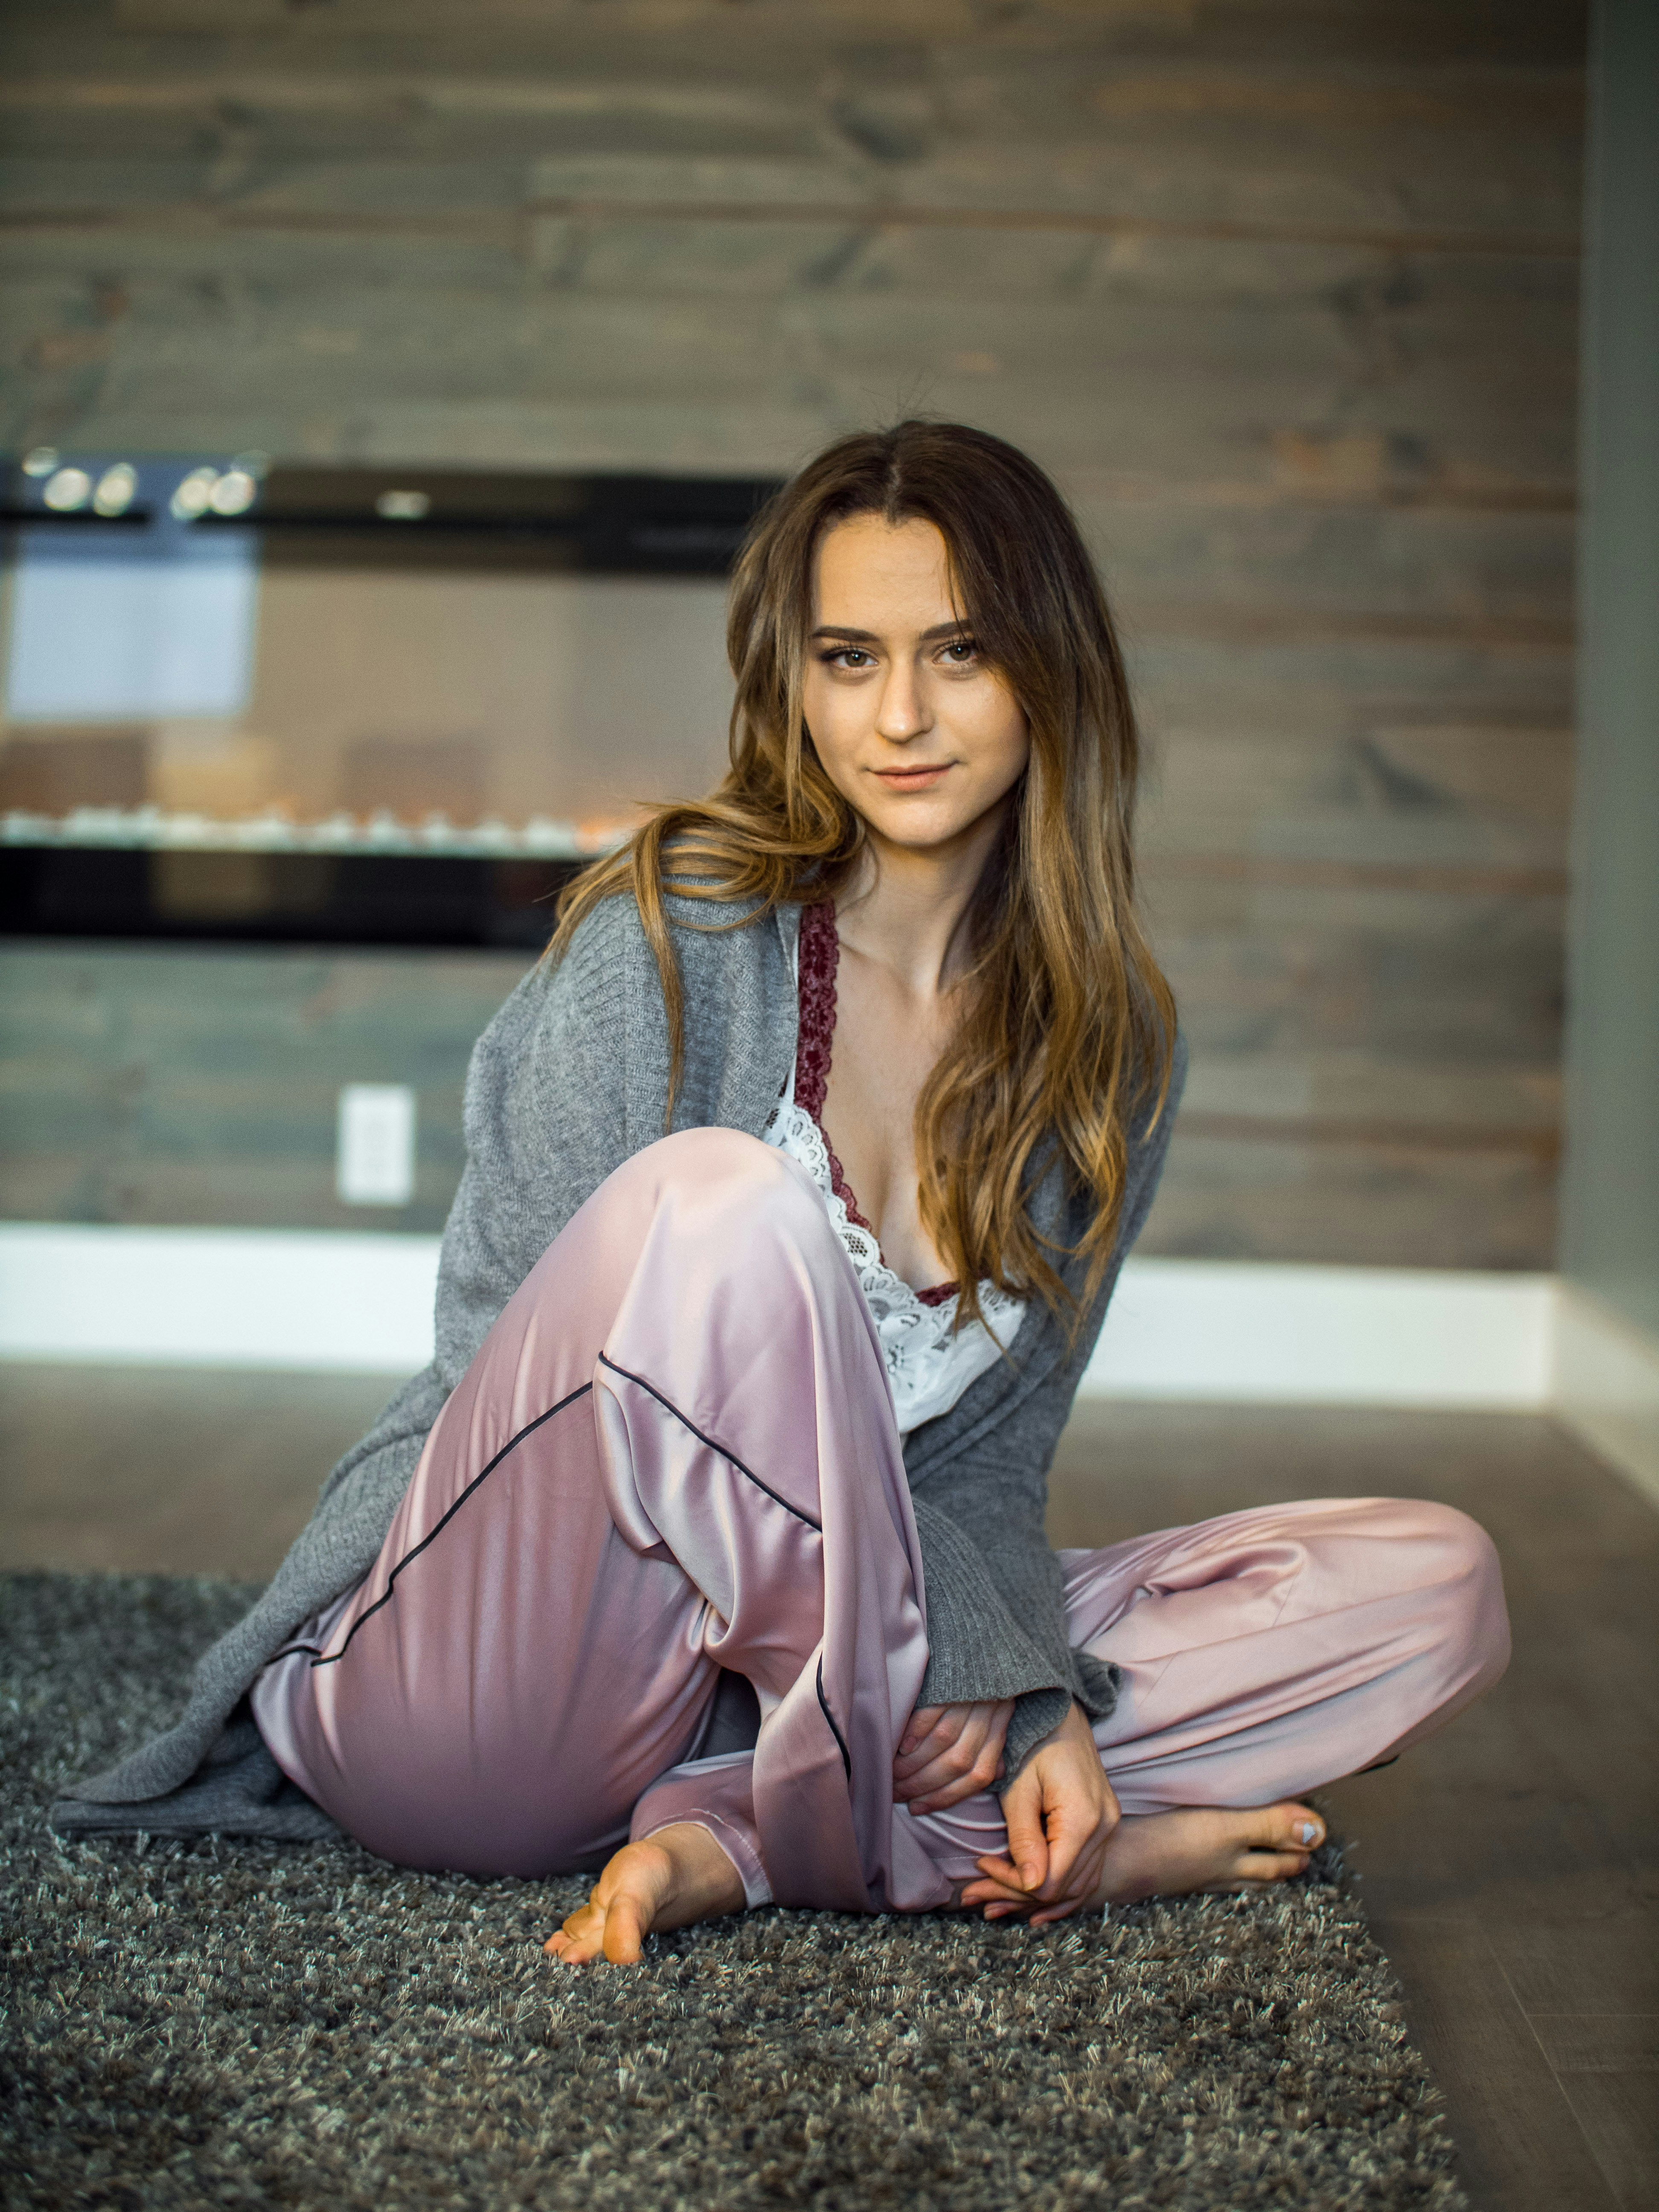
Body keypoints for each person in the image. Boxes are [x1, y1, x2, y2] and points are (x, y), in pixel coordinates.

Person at [53, 422, 1511, 1963]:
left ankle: (732, 1834)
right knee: (723, 1204)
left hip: (761, 1697)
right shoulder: (673, 935)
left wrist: (1003, 1673)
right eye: (847, 656)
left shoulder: (1113, 1048)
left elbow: (990, 1470)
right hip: (485, 1690)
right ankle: (947, 1827)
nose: (900, 715)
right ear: (793, 681)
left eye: (959, 650)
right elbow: (518, 1374)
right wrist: (987, 1686)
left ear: (1050, 669)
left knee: (1430, 1589)